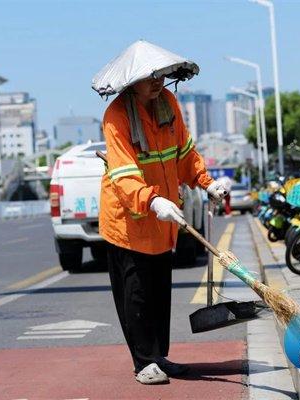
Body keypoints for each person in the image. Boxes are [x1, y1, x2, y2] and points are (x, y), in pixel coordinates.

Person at [99, 76, 228, 384]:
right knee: (137, 294)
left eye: (160, 76)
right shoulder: (116, 116)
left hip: (162, 217)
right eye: (149, 78)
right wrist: (152, 199)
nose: (158, 83)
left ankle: (159, 356)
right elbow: (124, 172)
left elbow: (185, 152)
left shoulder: (168, 104)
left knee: (158, 292)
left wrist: (207, 183)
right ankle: (143, 362)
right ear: (132, 82)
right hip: (129, 220)